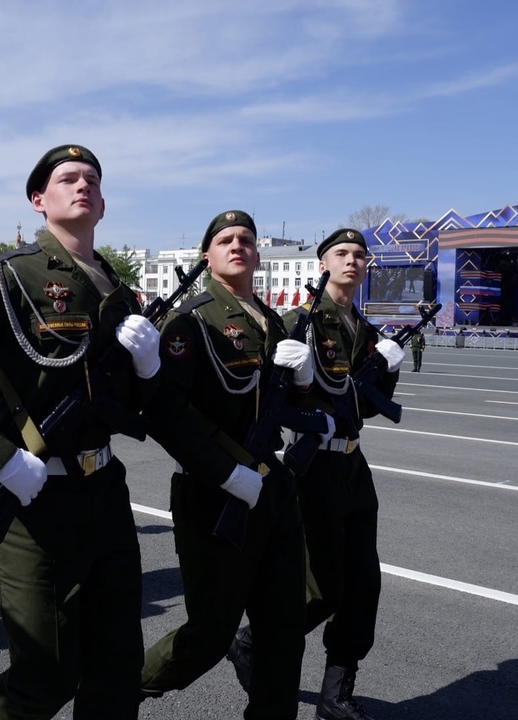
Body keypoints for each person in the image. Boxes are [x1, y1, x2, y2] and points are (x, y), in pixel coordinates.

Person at [0, 145, 159, 720]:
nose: (83, 185)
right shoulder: (7, 274)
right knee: (45, 675)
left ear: (104, 203)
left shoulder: (117, 291)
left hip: (105, 492)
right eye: (67, 178)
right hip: (33, 497)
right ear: (38, 200)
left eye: (93, 179)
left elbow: (125, 402)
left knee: (117, 666)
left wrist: (148, 371)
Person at [140, 210, 321, 720]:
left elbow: (280, 402)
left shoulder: (274, 319)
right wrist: (226, 473)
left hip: (273, 488)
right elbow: (166, 411)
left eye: (246, 239)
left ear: (258, 254)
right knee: (209, 634)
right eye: (225, 240)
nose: (237, 245)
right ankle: (120, 691)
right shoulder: (190, 320)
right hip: (213, 492)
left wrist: (304, 379)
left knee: (283, 631)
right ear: (207, 257)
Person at [230, 229, 405, 720]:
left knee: (363, 583)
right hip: (312, 466)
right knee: (323, 586)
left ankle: (336, 695)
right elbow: (272, 401)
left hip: (352, 463)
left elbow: (360, 408)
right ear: (322, 262)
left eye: (359, 256)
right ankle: (252, 641)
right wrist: (313, 411)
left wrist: (385, 370)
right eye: (341, 254)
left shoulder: (363, 328)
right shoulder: (300, 321)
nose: (352, 261)